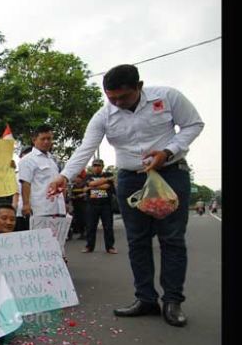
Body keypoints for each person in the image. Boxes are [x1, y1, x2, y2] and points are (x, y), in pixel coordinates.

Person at [47, 64, 204, 327]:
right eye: (112, 98)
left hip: (169, 173)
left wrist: (167, 151)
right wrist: (64, 176)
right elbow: (86, 148)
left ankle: (173, 301)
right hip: (130, 179)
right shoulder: (104, 115)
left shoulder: (168, 97)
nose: (118, 103)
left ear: (139, 87)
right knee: (138, 240)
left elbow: (193, 124)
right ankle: (145, 298)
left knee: (172, 238)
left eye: (124, 97)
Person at [19, 125, 66, 220]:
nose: (46, 142)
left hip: (58, 209)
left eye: (49, 139)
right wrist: (26, 205)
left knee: (57, 235)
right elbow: (25, 183)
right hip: (40, 211)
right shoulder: (28, 160)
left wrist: (64, 203)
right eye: (43, 139)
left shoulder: (53, 159)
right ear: (34, 140)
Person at [82, 159, 117, 254]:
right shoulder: (88, 176)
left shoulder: (108, 174)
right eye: (95, 165)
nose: (97, 167)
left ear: (102, 166)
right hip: (92, 205)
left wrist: (93, 187)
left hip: (106, 205)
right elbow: (88, 185)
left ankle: (110, 247)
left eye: (99, 165)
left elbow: (107, 187)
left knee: (108, 227)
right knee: (90, 227)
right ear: (92, 167)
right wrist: (100, 184)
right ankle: (89, 246)